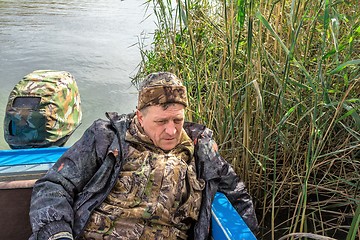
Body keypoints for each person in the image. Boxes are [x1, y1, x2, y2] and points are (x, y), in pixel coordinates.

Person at [29, 72, 258, 240]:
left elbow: (238, 197)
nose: (171, 131)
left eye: (177, 120)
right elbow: (54, 185)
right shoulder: (107, 138)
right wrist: (56, 234)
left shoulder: (201, 150)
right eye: (161, 121)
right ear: (139, 117)